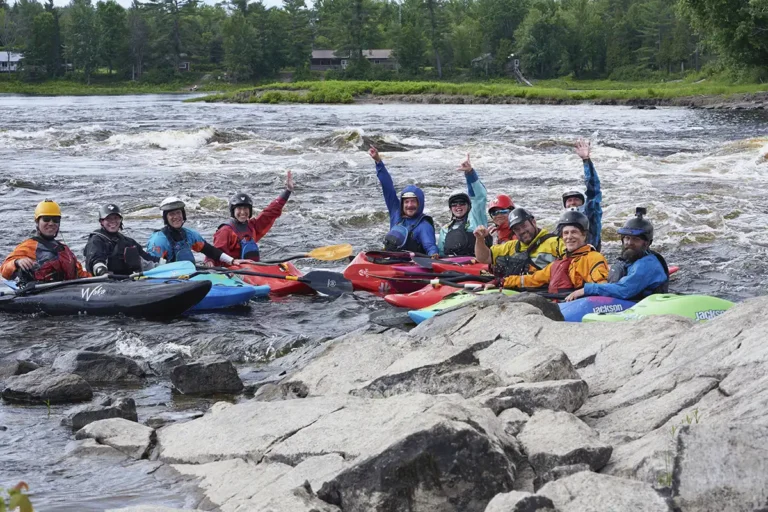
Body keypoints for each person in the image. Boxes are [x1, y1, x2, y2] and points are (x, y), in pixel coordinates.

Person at [566, 207, 668, 302]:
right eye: (627, 238)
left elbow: (624, 290)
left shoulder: (647, 264)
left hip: (641, 304)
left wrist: (586, 290)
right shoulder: (632, 258)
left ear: (647, 243)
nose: (629, 243)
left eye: (635, 239)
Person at [500, 209, 608, 294]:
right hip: (563, 302)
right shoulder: (559, 263)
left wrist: (583, 292)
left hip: (583, 302)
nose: (569, 237)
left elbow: (603, 286)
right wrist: (503, 282)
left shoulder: (594, 258)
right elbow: (534, 279)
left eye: (574, 232)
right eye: (566, 233)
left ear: (584, 235)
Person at [369, 146, 439, 257]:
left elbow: (430, 246)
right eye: (406, 202)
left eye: (413, 202)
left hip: (409, 267)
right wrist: (378, 161)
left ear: (419, 204)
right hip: (390, 260)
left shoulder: (424, 226)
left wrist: (434, 255)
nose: (409, 205)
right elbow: (388, 188)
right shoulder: (396, 213)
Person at [211, 171, 294, 262]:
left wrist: (288, 191)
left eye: (246, 208)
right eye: (239, 209)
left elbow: (271, 212)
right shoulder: (225, 231)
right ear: (233, 211)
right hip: (231, 270)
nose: (243, 212)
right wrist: (210, 262)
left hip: (250, 268)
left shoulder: (252, 226)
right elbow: (215, 254)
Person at [1, 199, 90, 283]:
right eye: (46, 219)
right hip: (39, 293)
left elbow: (80, 274)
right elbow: (4, 270)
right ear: (37, 222)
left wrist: (99, 277)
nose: (51, 223)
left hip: (67, 292)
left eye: (55, 220)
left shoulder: (64, 249)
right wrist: (17, 262)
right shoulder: (29, 246)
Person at [146, 197, 251, 267]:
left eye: (178, 213)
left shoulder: (189, 235)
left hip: (187, 276)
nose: (176, 217)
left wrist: (232, 261)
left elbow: (210, 250)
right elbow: (151, 266)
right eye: (171, 214)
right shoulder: (159, 240)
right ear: (165, 218)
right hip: (168, 278)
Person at [473, 207, 565, 276]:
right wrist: (480, 239)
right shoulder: (511, 246)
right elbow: (484, 258)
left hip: (544, 292)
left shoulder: (555, 242)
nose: (521, 231)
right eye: (517, 229)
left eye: (524, 226)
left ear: (533, 222)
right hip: (519, 292)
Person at [84, 204, 160, 276]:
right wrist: (102, 271)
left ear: (120, 220)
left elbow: (148, 258)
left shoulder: (128, 241)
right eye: (108, 218)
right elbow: (95, 261)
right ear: (101, 221)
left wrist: (165, 262)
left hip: (128, 282)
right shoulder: (96, 241)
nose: (113, 221)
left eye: (116, 218)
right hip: (106, 282)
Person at [437, 154, 488, 257]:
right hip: (452, 265)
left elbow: (479, 197)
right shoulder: (445, 229)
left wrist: (469, 173)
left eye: (462, 203)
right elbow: (441, 254)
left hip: (476, 262)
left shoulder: (476, 218)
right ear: (450, 208)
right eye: (454, 204)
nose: (458, 207)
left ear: (468, 206)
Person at [562, 139, 602, 251]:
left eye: (576, 199)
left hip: (589, 259)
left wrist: (586, 160)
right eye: (569, 200)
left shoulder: (591, 217)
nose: (573, 202)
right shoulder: (561, 224)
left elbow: (594, 190)